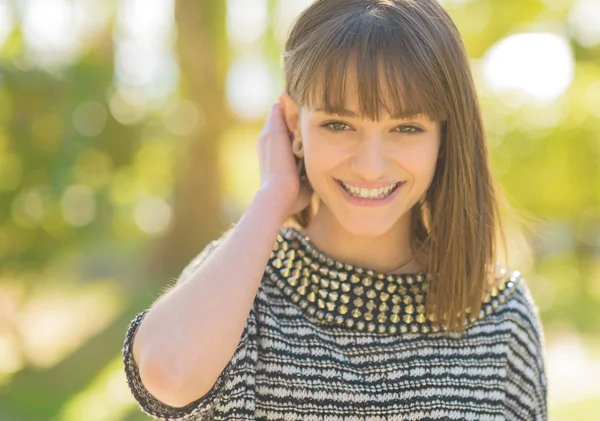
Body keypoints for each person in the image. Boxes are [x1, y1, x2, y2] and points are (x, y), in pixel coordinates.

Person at [122, 0, 548, 419]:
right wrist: (273, 196)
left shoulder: (500, 318)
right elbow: (168, 375)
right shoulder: (241, 283)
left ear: (445, 136)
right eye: (339, 125)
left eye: (406, 128)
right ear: (293, 123)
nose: (370, 165)